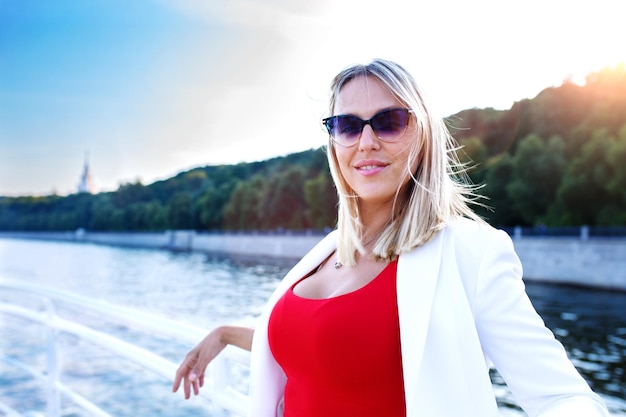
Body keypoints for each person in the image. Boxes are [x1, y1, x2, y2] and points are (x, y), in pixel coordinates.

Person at [172, 58, 611, 417]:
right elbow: (324, 344)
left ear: (421, 135)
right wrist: (226, 334)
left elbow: (561, 398)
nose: (366, 141)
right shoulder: (327, 252)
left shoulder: (470, 252)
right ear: (333, 141)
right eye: (347, 125)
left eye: (389, 121)